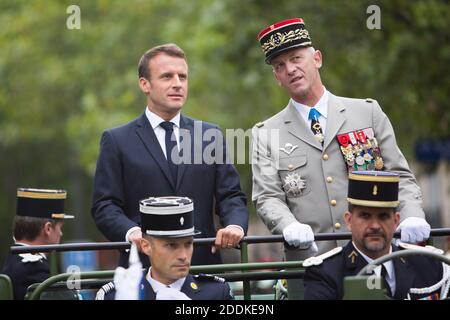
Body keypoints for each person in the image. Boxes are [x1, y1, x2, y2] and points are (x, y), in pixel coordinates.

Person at [251, 18, 430, 297]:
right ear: (276, 77)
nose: (290, 70)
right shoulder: (266, 133)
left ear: (317, 59)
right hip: (313, 265)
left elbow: (400, 176)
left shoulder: (366, 113)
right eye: (280, 66)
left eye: (296, 58)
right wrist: (289, 226)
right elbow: (267, 197)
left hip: (378, 255)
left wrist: (410, 216)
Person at [91, 43, 248, 267]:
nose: (177, 84)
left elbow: (231, 195)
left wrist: (235, 225)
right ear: (144, 84)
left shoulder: (209, 135)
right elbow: (104, 205)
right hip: (144, 267)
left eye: (182, 77)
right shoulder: (117, 140)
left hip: (201, 268)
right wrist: (131, 232)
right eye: (167, 76)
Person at [303, 171, 449, 300]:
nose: (375, 225)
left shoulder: (427, 265)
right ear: (348, 220)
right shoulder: (326, 273)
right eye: (365, 216)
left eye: (383, 216)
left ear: (396, 220)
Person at [96, 196, 234, 300]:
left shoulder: (217, 293)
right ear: (146, 246)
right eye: (171, 245)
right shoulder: (119, 295)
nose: (183, 256)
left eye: (188, 244)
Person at [1, 188, 74, 300]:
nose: (61, 233)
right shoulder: (33, 269)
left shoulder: (13, 260)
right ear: (48, 228)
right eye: (60, 227)